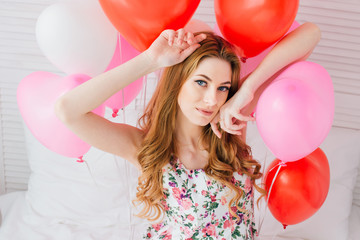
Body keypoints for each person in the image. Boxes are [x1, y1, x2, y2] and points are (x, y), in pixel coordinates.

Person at [55, 23, 321, 239]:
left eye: (223, 87)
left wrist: (247, 90)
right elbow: (68, 110)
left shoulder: (229, 125)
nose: (211, 100)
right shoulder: (145, 147)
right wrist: (150, 60)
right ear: (178, 82)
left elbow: (310, 34)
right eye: (201, 83)